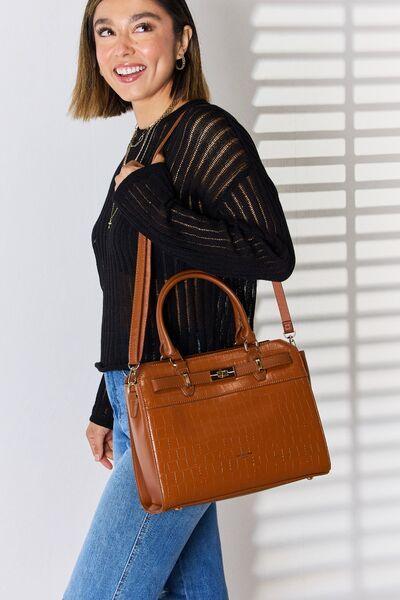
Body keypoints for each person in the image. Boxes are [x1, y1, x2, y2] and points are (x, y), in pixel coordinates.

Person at [63, 0, 296, 598]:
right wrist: (105, 401)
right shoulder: (145, 143)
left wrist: (153, 207)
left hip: (185, 401)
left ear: (183, 39)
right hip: (142, 393)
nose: (122, 48)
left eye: (143, 26)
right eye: (105, 32)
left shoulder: (202, 130)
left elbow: (271, 253)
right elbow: (129, 292)